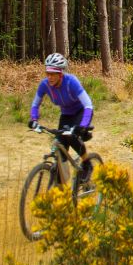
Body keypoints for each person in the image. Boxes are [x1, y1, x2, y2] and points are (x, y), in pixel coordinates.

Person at [28, 53, 94, 183]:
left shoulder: (71, 82)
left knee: (72, 138)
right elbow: (35, 104)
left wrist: (83, 125)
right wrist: (34, 120)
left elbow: (88, 105)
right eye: (48, 73)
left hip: (80, 112)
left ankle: (87, 164)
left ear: (61, 74)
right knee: (60, 149)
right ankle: (61, 185)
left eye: (53, 73)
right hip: (66, 115)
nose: (50, 77)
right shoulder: (44, 85)